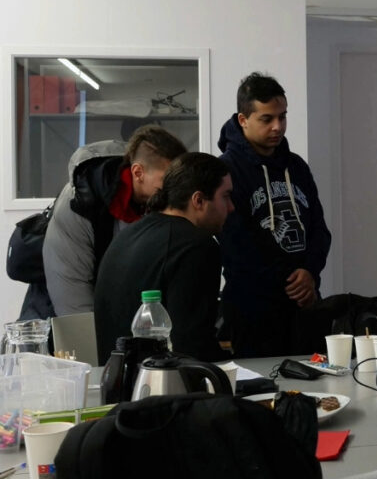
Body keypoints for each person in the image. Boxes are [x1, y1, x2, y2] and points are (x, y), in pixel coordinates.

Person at [217, 72, 332, 358]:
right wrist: (292, 281)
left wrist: (310, 273)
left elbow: (319, 228)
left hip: (304, 303)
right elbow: (236, 243)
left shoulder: (297, 167)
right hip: (253, 308)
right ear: (243, 120)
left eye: (282, 117)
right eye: (266, 119)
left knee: (312, 387)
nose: (277, 127)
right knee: (262, 393)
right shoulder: (225, 170)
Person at [94, 152, 233, 364]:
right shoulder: (197, 246)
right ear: (198, 200)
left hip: (115, 380)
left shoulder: (130, 233)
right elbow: (192, 346)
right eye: (226, 196)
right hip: (163, 385)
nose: (231, 207)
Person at [43, 124, 187, 316]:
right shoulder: (78, 205)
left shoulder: (156, 202)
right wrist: (92, 343)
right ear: (138, 173)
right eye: (167, 180)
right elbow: (73, 299)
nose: (175, 189)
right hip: (63, 310)